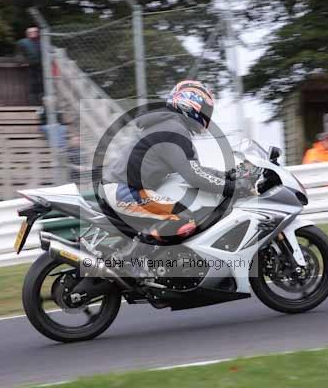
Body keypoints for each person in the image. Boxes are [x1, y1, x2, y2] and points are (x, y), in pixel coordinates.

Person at [101, 80, 253, 277]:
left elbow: (194, 168)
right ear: (191, 104)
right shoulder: (173, 129)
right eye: (206, 110)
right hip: (122, 191)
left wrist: (227, 176)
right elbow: (193, 176)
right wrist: (232, 186)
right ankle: (129, 261)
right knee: (180, 215)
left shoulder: (171, 125)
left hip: (124, 188)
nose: (208, 116)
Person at [17, 27, 43, 105]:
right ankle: (33, 103)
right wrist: (21, 62)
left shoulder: (43, 42)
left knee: (43, 84)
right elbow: (19, 54)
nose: (33, 33)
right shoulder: (22, 42)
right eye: (30, 32)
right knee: (32, 84)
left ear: (38, 33)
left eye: (35, 32)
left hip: (42, 66)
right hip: (30, 66)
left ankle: (43, 102)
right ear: (27, 34)